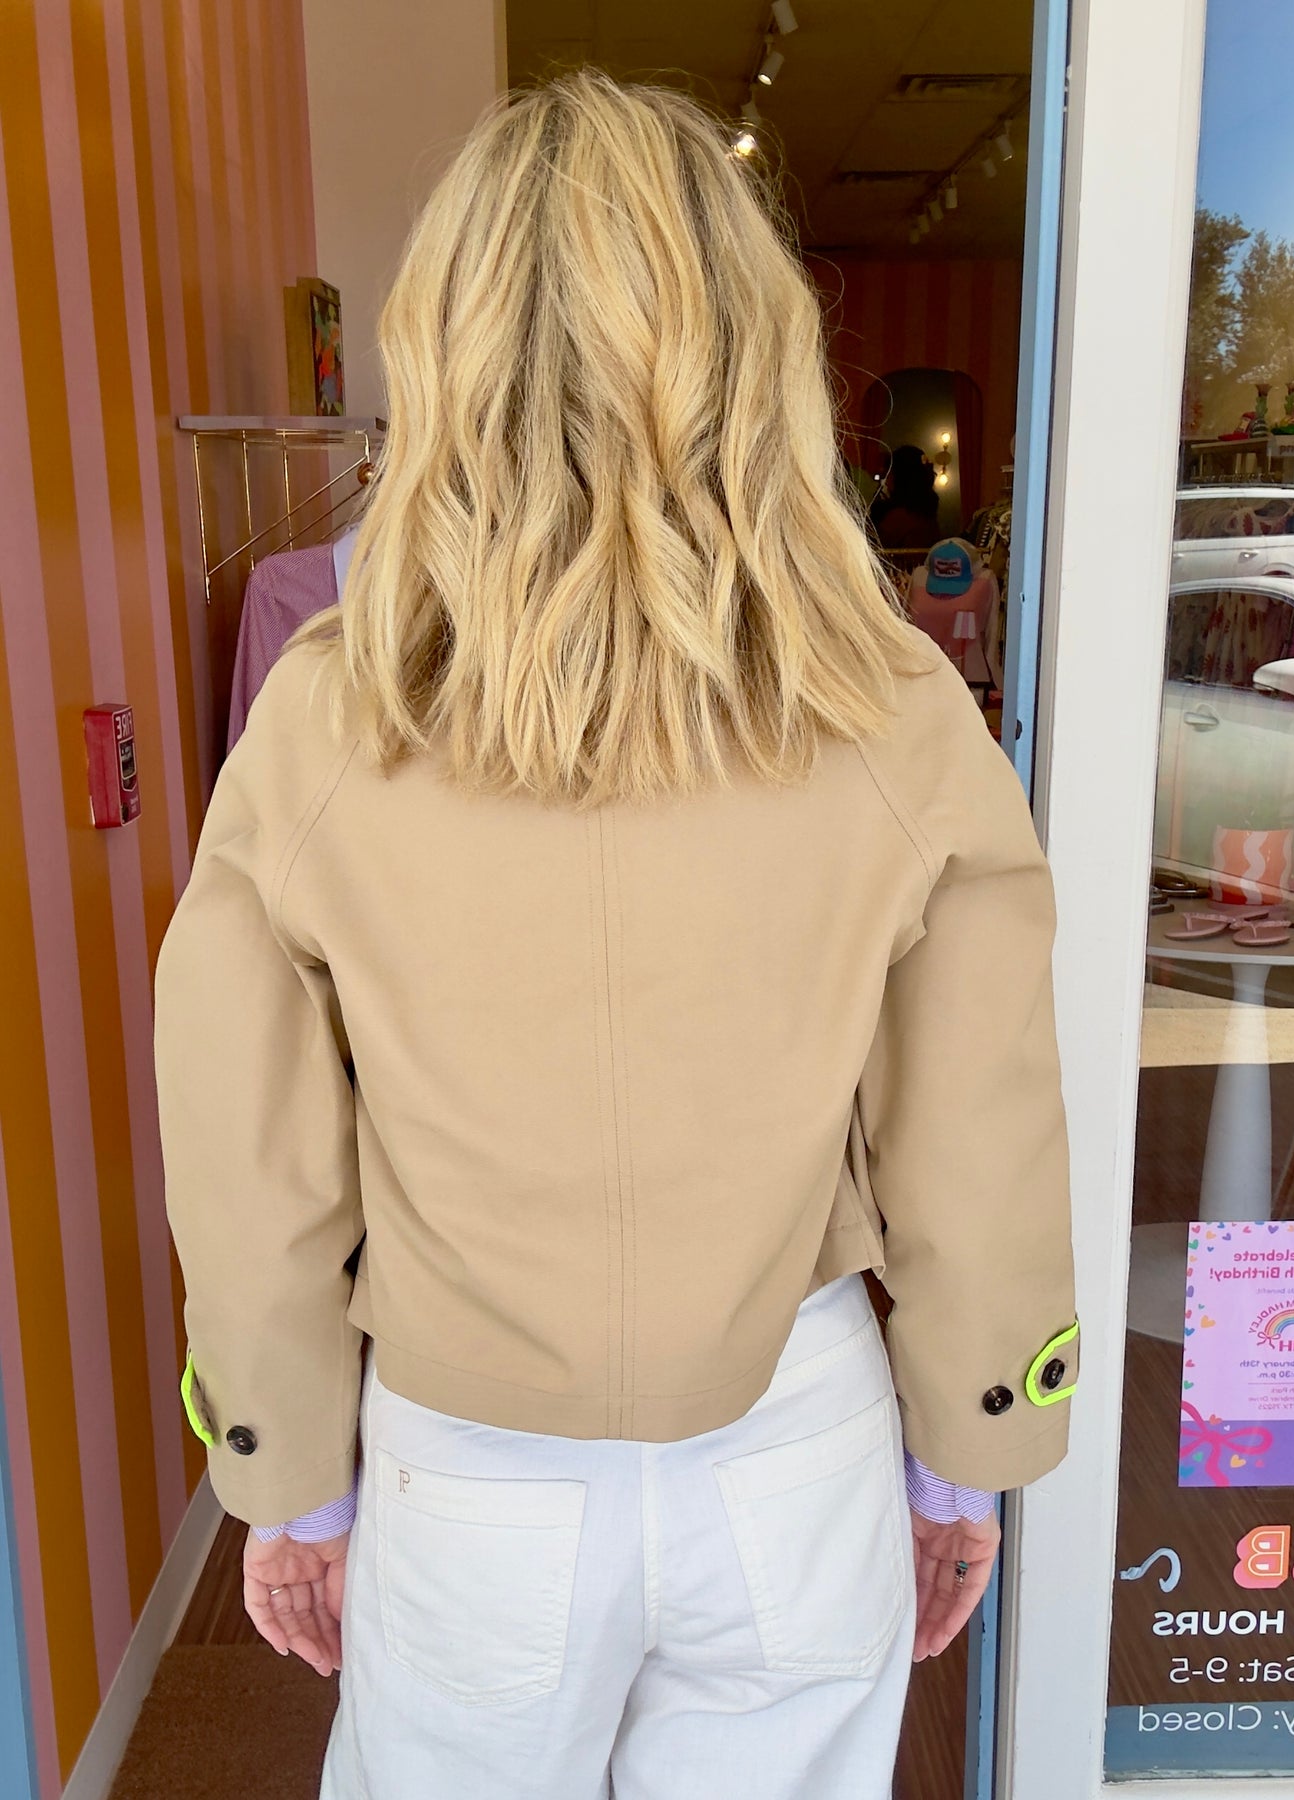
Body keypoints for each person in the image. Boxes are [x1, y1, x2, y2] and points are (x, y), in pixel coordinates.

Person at [155, 70, 1076, 1800]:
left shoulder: (330, 715)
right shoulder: (890, 705)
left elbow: (247, 1145)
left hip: (465, 1467)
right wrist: (965, 1451)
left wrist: (292, 1483)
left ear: (447, 352)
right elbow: (980, 1123)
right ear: (755, 352)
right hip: (792, 1439)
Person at [870, 443, 942, 551]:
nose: (886, 482)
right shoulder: (928, 516)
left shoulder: (896, 520)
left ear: (900, 478)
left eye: (889, 474)